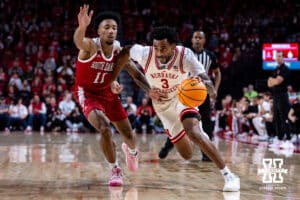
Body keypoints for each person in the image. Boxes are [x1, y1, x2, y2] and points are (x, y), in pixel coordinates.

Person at [111, 26, 240, 192]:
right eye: (156, 47)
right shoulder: (144, 53)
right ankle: (195, 135)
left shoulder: (184, 54)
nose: (158, 52)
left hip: (183, 97)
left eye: (163, 48)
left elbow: (204, 77)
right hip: (163, 106)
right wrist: (142, 87)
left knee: (194, 132)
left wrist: (210, 89)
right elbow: (125, 53)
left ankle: (228, 175)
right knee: (186, 154)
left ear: (173, 46)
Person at [73, 5, 164, 186]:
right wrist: (82, 27)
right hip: (88, 93)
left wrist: (149, 90)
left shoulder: (118, 50)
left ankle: (132, 152)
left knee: (128, 134)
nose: (111, 31)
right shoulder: (90, 46)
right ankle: (115, 169)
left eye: (114, 28)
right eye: (106, 27)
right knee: (104, 128)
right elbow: (78, 41)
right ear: (98, 31)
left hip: (108, 92)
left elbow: (135, 73)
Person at [158, 30, 222, 161]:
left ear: (204, 40)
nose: (197, 40)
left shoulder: (210, 55)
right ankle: (167, 146)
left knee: (206, 124)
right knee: (179, 123)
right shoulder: (184, 54)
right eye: (195, 37)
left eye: (200, 37)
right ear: (192, 40)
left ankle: (206, 153)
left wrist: (214, 89)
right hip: (184, 94)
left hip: (202, 94)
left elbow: (217, 73)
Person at [267, 51, 294, 149]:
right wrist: (273, 81)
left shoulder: (285, 69)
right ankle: (279, 139)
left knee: (284, 118)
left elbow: (278, 81)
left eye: (280, 56)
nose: (278, 58)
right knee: (276, 118)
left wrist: (273, 81)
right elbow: (269, 83)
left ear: (283, 58)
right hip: (275, 96)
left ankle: (289, 139)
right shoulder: (275, 70)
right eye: (276, 56)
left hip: (283, 96)